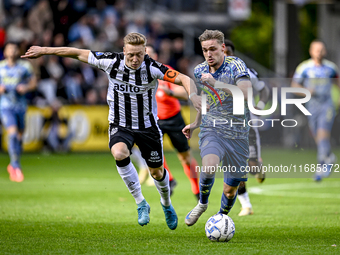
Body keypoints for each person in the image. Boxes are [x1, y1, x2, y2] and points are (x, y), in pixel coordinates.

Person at [21, 32, 201, 230]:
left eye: (139, 55)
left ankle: (166, 204)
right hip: (120, 124)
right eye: (130, 54)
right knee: (119, 152)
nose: (134, 59)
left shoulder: (152, 67)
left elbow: (184, 78)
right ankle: (141, 202)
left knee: (157, 173)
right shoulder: (111, 62)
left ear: (145, 52)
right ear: (124, 51)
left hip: (148, 127)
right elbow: (76, 52)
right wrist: (44, 50)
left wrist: (193, 96)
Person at [182, 30, 252, 226]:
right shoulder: (199, 70)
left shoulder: (235, 65)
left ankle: (221, 217)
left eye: (212, 49)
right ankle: (202, 204)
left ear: (223, 48)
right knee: (209, 165)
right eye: (205, 50)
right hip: (213, 129)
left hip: (238, 134)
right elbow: (206, 100)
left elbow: (246, 94)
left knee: (230, 190)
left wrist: (217, 83)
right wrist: (196, 123)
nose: (208, 54)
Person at [146, 44, 200, 200]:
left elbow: (184, 93)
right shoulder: (138, 75)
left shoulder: (164, 71)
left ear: (155, 57)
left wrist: (169, 91)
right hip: (153, 120)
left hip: (173, 118)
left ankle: (197, 189)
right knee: (152, 155)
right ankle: (169, 180)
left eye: (149, 54)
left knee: (185, 157)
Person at [224, 39, 270, 216]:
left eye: (228, 52)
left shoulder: (247, 73)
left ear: (233, 54)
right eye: (223, 52)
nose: (226, 55)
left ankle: (258, 168)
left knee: (252, 166)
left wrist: (261, 105)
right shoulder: (212, 75)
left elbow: (264, 90)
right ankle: (246, 206)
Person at [291, 39, 340, 182]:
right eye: (316, 49)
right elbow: (294, 85)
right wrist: (306, 91)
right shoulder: (304, 68)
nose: (319, 52)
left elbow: (338, 83)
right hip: (312, 106)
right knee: (317, 135)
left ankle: (322, 166)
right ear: (311, 51)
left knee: (323, 133)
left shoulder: (331, 68)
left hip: (327, 105)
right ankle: (328, 156)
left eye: (321, 49)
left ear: (325, 51)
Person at [0, 42, 37, 182]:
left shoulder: (24, 66)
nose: (12, 50)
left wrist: (26, 88)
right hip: (6, 106)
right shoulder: (0, 67)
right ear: (5, 52)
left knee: (19, 138)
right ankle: (15, 166)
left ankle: (14, 163)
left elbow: (34, 82)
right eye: (9, 48)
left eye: (14, 48)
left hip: (20, 106)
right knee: (13, 134)